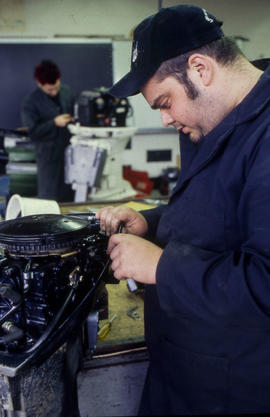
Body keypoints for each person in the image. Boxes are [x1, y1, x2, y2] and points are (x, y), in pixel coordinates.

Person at [96, 4, 270, 416]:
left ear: (200, 69)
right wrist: (152, 223)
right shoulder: (215, 117)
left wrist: (161, 268)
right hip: (184, 371)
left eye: (165, 101)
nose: (166, 118)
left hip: (234, 389)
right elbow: (217, 213)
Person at [21, 60, 75, 201]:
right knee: (49, 199)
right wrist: (54, 123)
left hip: (71, 155)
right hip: (48, 160)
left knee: (73, 197)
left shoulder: (67, 92)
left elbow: (76, 113)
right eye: (50, 89)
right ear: (39, 84)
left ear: (59, 79)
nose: (54, 92)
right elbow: (33, 132)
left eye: (56, 87)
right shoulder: (30, 102)